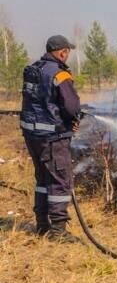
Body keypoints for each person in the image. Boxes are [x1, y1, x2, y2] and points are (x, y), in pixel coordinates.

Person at [20, 35, 81, 243]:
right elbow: (71, 106)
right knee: (59, 181)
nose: (68, 55)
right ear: (62, 51)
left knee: (43, 180)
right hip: (52, 137)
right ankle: (57, 231)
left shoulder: (33, 70)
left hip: (32, 134)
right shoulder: (59, 74)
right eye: (67, 51)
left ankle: (42, 225)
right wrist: (73, 118)